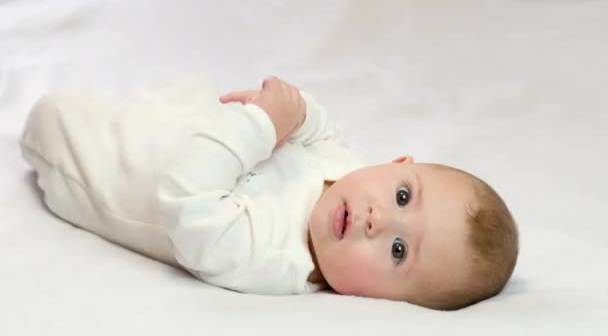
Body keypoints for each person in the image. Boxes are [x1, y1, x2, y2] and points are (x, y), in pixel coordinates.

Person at [20, 75, 518, 310]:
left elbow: (187, 198)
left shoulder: (275, 261)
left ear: (385, 302)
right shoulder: (347, 169)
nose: (379, 219)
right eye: (404, 197)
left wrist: (261, 126)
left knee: (51, 115)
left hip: (100, 169)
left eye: (398, 250)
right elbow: (320, 131)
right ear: (398, 164)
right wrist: (294, 111)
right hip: (178, 120)